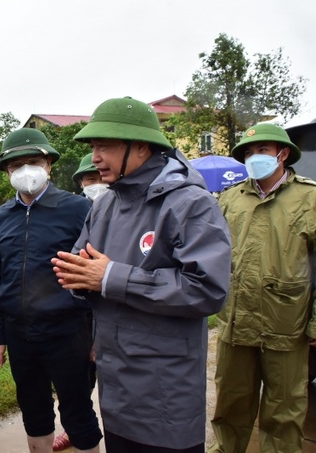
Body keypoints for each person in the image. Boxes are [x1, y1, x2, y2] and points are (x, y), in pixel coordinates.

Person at [51, 96, 231, 453]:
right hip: (116, 389)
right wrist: (80, 280)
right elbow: (82, 267)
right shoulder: (104, 206)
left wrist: (109, 277)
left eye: (105, 146)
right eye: (93, 147)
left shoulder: (189, 203)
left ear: (141, 147)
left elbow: (207, 289)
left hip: (165, 396)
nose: (95, 157)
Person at [0, 128, 102, 453]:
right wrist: (0, 336)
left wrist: (97, 333)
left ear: (49, 164)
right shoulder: (1, 217)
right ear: (7, 171)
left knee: (78, 412)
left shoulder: (76, 209)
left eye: (34, 161)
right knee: (34, 412)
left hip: (69, 332)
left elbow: (95, 275)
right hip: (21, 336)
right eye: (16, 164)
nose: (25, 170)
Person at [209, 123, 316, 453]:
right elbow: (213, 254)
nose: (255, 157)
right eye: (249, 152)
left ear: (283, 154)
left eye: (263, 151)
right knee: (231, 403)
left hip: (286, 323)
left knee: (284, 408)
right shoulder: (230, 199)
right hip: (237, 320)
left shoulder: (310, 199)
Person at [52, 153, 106, 452]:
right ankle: (77, 430)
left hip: (119, 315)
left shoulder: (130, 215)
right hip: (81, 317)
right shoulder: (78, 215)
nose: (96, 184)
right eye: (89, 179)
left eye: (99, 178)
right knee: (78, 383)